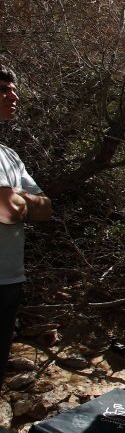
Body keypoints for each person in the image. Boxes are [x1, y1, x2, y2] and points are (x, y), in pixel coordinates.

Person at [0, 65, 53, 383]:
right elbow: (8, 208)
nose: (14, 95)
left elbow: (45, 208)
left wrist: (15, 197)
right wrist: (17, 201)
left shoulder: (9, 156)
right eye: (4, 89)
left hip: (8, 280)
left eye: (14, 88)